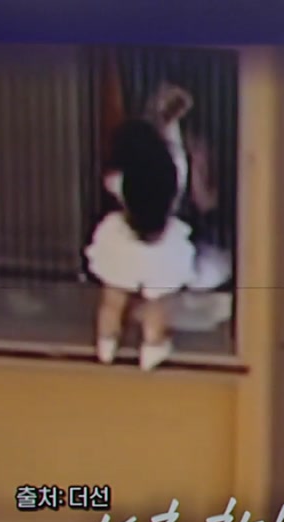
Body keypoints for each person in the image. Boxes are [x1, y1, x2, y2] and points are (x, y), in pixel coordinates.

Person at [85, 118, 203, 371]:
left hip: (121, 241)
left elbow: (111, 181)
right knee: (156, 302)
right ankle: (152, 346)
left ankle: (106, 343)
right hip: (163, 248)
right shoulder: (173, 173)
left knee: (112, 298)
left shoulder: (118, 178)